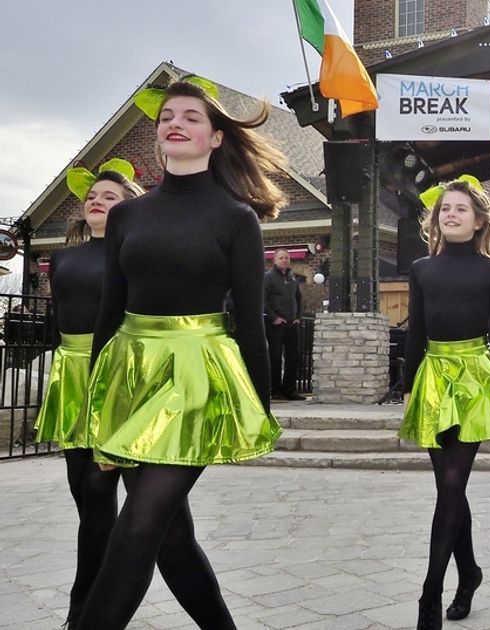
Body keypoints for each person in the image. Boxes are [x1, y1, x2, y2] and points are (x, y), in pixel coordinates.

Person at [77, 75, 285, 629]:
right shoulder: (128, 215)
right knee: (170, 537)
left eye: (192, 117)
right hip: (130, 375)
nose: (176, 123)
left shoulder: (236, 218)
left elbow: (251, 321)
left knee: (141, 521)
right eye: (168, 115)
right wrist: (96, 408)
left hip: (197, 378)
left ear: (216, 138)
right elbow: (107, 315)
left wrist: (260, 406)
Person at [399, 176, 490, 629]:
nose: (452, 215)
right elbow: (416, 331)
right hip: (433, 379)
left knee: (450, 483)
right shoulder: (422, 269)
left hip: (476, 380)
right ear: (437, 219)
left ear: (479, 220)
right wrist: (408, 389)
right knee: (451, 488)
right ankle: (469, 574)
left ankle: (430, 595)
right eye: (446, 209)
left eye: (461, 209)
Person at [264, 248, 304, 400]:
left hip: (291, 322)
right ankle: (275, 390)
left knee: (293, 356)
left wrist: (298, 317)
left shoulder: (293, 278)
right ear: (274, 260)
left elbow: (298, 298)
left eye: (287, 258)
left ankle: (289, 390)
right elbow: (263, 299)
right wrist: (274, 317)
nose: (284, 260)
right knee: (275, 356)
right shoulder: (268, 277)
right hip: (276, 323)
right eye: (281, 258)